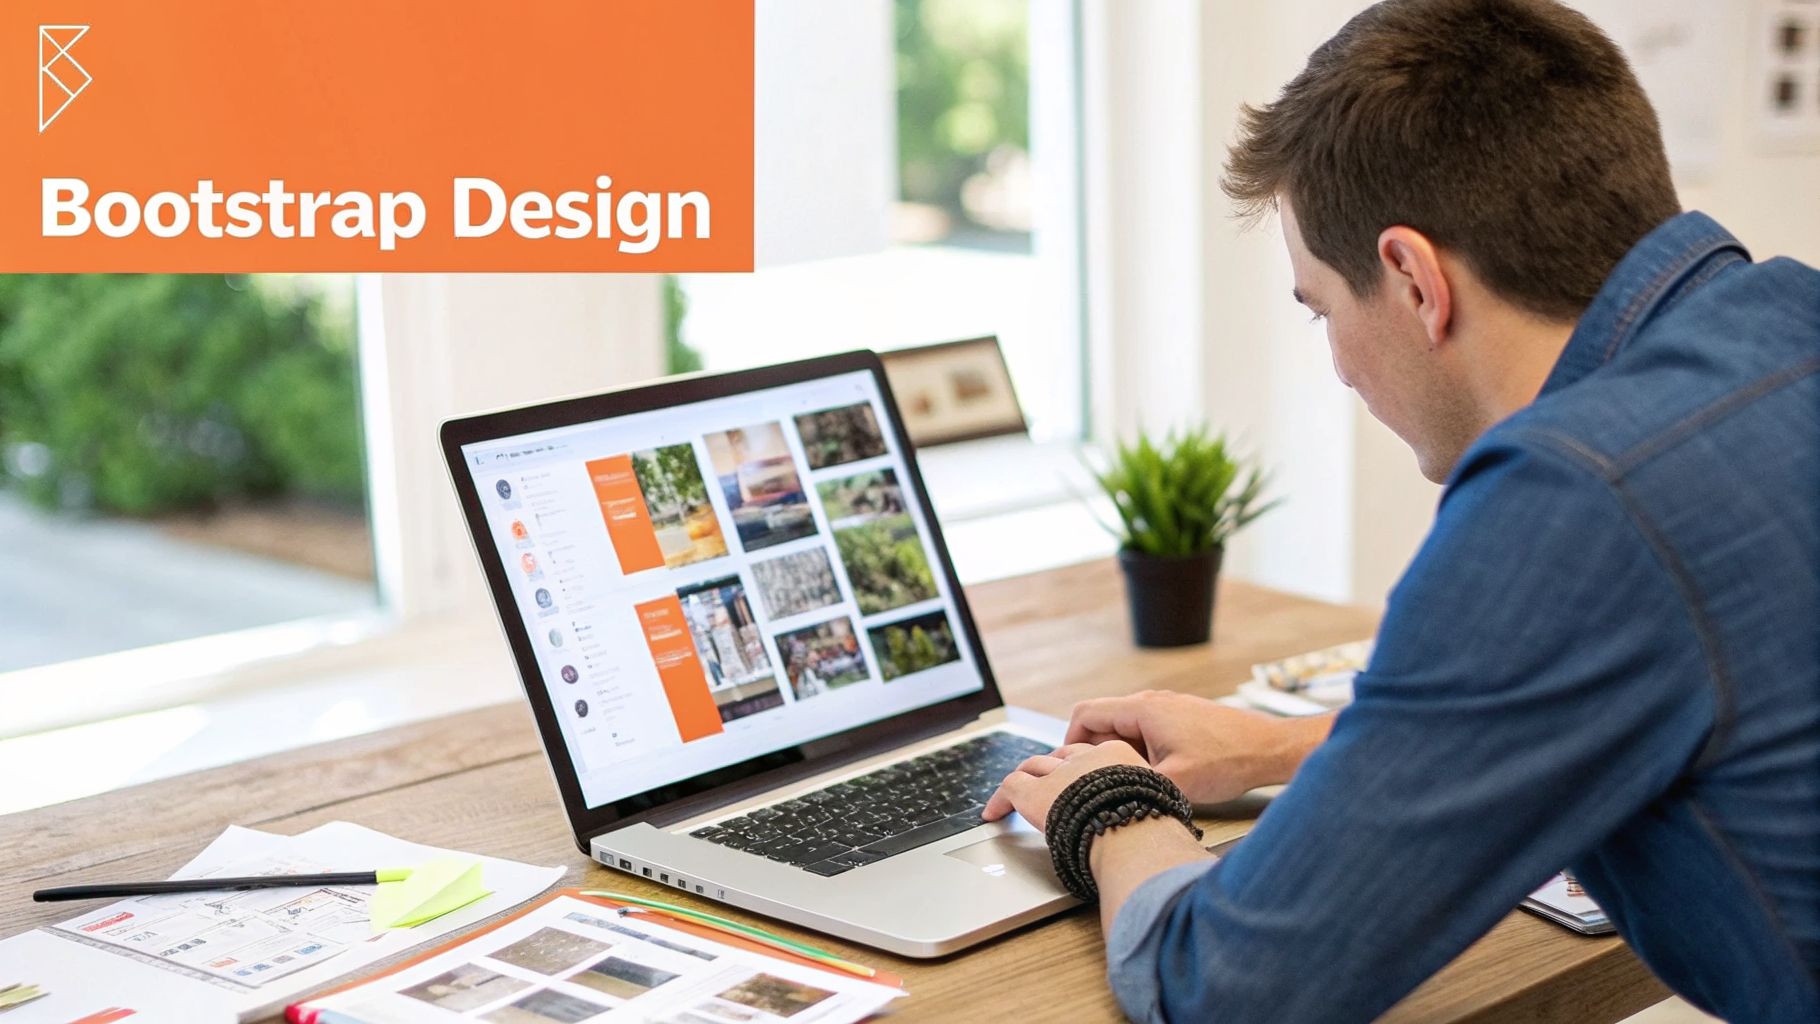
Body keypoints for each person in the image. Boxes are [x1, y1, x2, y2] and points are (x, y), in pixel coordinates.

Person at [982, 1, 1820, 1020]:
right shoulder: (1787, 318)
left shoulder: (1569, 498)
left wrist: (1104, 808)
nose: (1335, 365)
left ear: (1413, 281)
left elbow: (1230, 987)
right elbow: (1643, 683)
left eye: (1320, 309)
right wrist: (1284, 747)